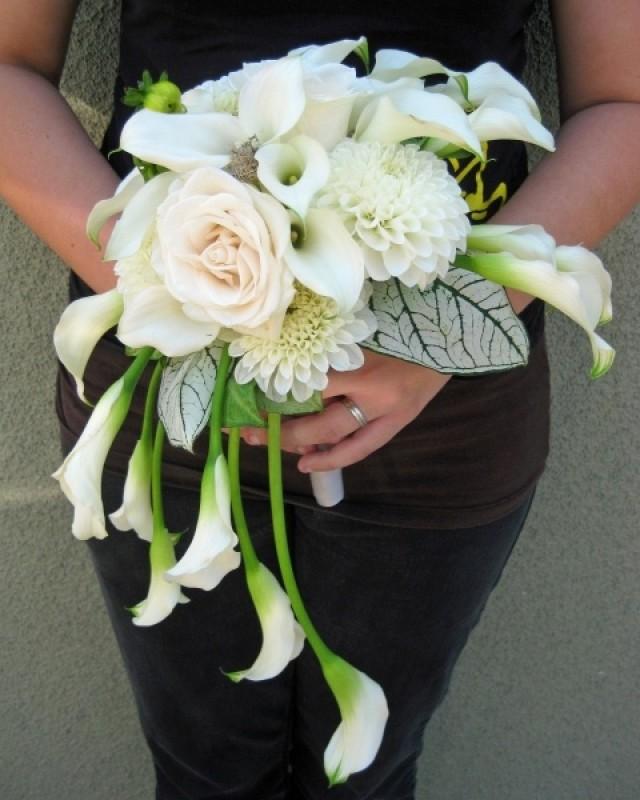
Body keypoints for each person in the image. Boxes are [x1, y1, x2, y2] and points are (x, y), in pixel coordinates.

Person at [1, 1, 638, 798]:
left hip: (441, 427)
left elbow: (624, 100)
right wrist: (190, 296)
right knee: (206, 776)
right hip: (172, 400)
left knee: (364, 780)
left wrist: (436, 338)